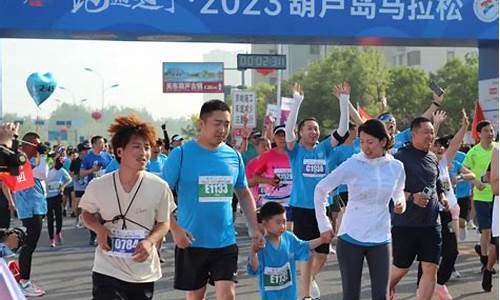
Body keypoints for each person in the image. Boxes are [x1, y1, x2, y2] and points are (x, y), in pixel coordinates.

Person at [163, 99, 263, 300]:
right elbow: (161, 195)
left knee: (227, 295)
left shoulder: (233, 156)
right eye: (217, 123)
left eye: (226, 124)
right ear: (202, 124)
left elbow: (243, 192)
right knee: (196, 296)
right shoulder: (181, 154)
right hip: (192, 241)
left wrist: (254, 228)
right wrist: (174, 228)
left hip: (225, 240)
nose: (223, 129)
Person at [79, 115, 176, 300]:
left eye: (147, 147)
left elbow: (164, 223)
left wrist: (150, 241)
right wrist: (99, 229)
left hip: (142, 270)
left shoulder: (159, 186)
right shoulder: (99, 185)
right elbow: (87, 214)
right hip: (107, 268)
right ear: (119, 152)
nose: (144, 153)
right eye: (137, 147)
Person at [314, 119, 406, 300]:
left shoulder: (396, 167)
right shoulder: (353, 164)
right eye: (362, 142)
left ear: (383, 141)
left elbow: (398, 191)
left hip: (381, 238)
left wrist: (400, 202)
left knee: (381, 295)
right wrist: (323, 224)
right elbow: (321, 189)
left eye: (370, 142)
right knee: (351, 295)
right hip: (351, 237)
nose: (365, 147)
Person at [284, 82, 350, 299]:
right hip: (302, 208)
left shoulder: (323, 148)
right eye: (309, 128)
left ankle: (307, 280)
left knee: (322, 252)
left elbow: (342, 131)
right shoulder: (295, 151)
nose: (314, 131)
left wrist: (343, 100)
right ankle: (304, 294)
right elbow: (287, 131)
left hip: (321, 208)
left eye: (316, 128)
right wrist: (297, 102)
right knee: (305, 252)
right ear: (300, 132)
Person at [389, 117, 448, 300]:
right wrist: (411, 196)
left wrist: (442, 196)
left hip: (431, 223)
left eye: (432, 132)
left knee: (431, 267)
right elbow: (390, 188)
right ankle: (384, 288)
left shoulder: (432, 157)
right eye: (426, 132)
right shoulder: (399, 157)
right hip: (405, 223)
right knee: (402, 267)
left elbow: (436, 182)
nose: (431, 136)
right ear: (414, 134)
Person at [248, 201, 332, 300]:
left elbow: (304, 246)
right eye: (278, 222)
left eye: (284, 221)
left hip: (290, 296)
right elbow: (255, 269)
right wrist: (253, 252)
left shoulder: (289, 238)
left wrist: (322, 239)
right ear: (265, 223)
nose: (282, 226)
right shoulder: (261, 245)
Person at [13, 132, 49, 297]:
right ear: (27, 145)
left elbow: (42, 178)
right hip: (30, 209)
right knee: (28, 246)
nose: (39, 148)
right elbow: (42, 174)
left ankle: (22, 279)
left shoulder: (28, 160)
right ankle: (24, 282)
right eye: (37, 145)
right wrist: (43, 155)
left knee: (28, 246)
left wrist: (46, 159)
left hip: (35, 208)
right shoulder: (21, 160)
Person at [463, 120, 497, 272]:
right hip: (482, 196)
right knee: (487, 230)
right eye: (486, 131)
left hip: (498, 197)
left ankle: (485, 252)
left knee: (495, 233)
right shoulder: (474, 152)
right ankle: (485, 262)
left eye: (491, 130)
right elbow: (463, 169)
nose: (490, 133)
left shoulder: (498, 149)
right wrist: (476, 181)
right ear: (479, 134)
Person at [253, 125, 294, 229]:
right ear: (274, 138)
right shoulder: (267, 156)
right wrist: (269, 180)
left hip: (290, 200)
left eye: (284, 135)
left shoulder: (295, 154)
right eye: (279, 135)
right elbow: (255, 177)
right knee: (270, 232)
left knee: (287, 230)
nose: (282, 138)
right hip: (271, 200)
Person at [80, 136, 113, 245]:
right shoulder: (88, 158)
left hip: (107, 188)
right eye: (99, 143)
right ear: (93, 145)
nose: (102, 145)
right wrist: (92, 170)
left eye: (103, 143)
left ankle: (105, 234)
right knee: (93, 213)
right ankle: (93, 235)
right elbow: (81, 173)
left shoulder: (108, 157)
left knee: (105, 213)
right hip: (93, 188)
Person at [45, 154, 72, 247]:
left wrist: (63, 186)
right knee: (50, 218)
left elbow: (69, 179)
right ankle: (51, 239)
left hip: (57, 195)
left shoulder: (61, 171)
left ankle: (58, 233)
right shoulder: (46, 171)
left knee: (59, 216)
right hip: (47, 197)